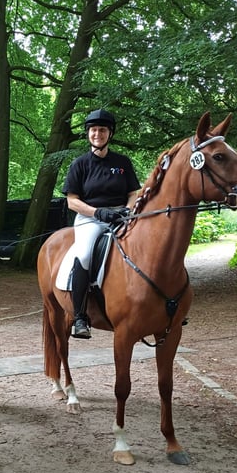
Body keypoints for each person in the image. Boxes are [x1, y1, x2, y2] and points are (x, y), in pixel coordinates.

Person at [61, 109, 141, 339]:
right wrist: (98, 213)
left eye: (102, 130)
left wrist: (127, 209)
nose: (98, 133)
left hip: (121, 216)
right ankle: (79, 317)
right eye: (94, 130)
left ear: (110, 133)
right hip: (90, 218)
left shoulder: (122, 162)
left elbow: (133, 192)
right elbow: (72, 201)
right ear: (88, 134)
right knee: (84, 255)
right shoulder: (80, 164)